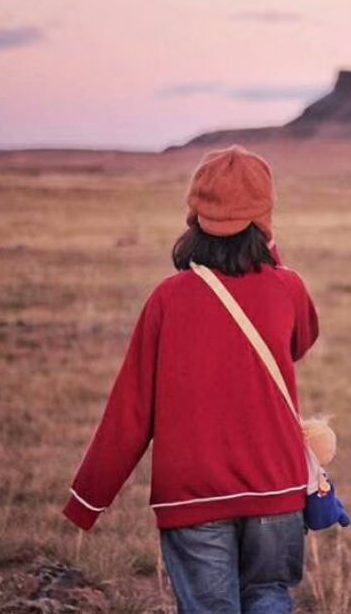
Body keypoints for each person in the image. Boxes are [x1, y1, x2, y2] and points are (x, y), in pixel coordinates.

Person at [61, 144, 320, 614]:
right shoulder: (289, 288)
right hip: (275, 488)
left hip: (193, 492)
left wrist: (88, 500)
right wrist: (269, 242)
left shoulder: (168, 298)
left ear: (194, 216)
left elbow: (131, 410)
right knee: (268, 597)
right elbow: (300, 344)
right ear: (264, 218)